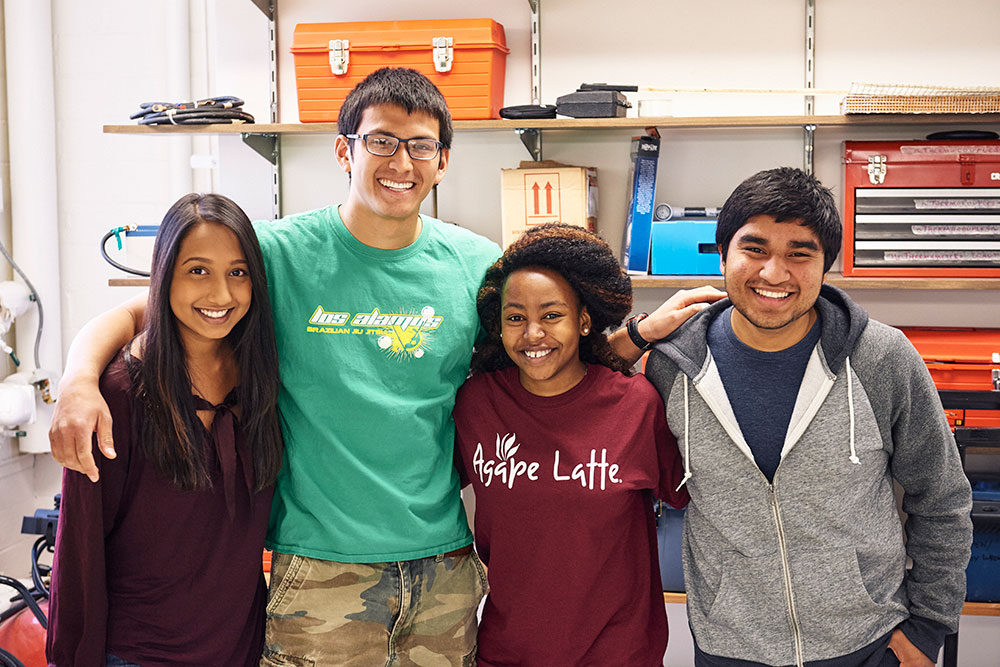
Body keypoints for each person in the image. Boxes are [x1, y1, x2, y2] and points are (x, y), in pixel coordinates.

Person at [48, 67, 720, 665]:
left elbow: (540, 365)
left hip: (443, 568)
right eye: (381, 141)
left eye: (420, 144)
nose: (401, 161)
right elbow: (153, 310)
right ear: (344, 149)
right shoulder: (277, 253)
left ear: (443, 161)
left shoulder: (477, 265)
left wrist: (633, 336)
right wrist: (79, 379)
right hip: (319, 568)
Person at [644, 167, 973, 667]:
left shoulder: (880, 357)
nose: (774, 274)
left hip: (867, 643)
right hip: (730, 647)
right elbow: (569, 387)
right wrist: (635, 334)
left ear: (825, 266)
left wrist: (928, 629)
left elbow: (943, 498)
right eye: (754, 249)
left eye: (800, 253)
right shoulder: (672, 366)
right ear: (723, 252)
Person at [45, 193, 283, 666]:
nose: (220, 295)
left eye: (237, 272)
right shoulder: (118, 394)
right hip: (135, 654)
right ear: (163, 276)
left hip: (241, 651)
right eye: (197, 271)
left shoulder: (264, 383)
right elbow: (80, 551)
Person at [452, 223, 691, 666]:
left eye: (551, 315)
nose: (532, 334)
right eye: (516, 317)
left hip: (619, 652)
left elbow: (698, 499)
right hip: (508, 651)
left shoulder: (635, 404)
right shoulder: (478, 404)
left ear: (583, 320)